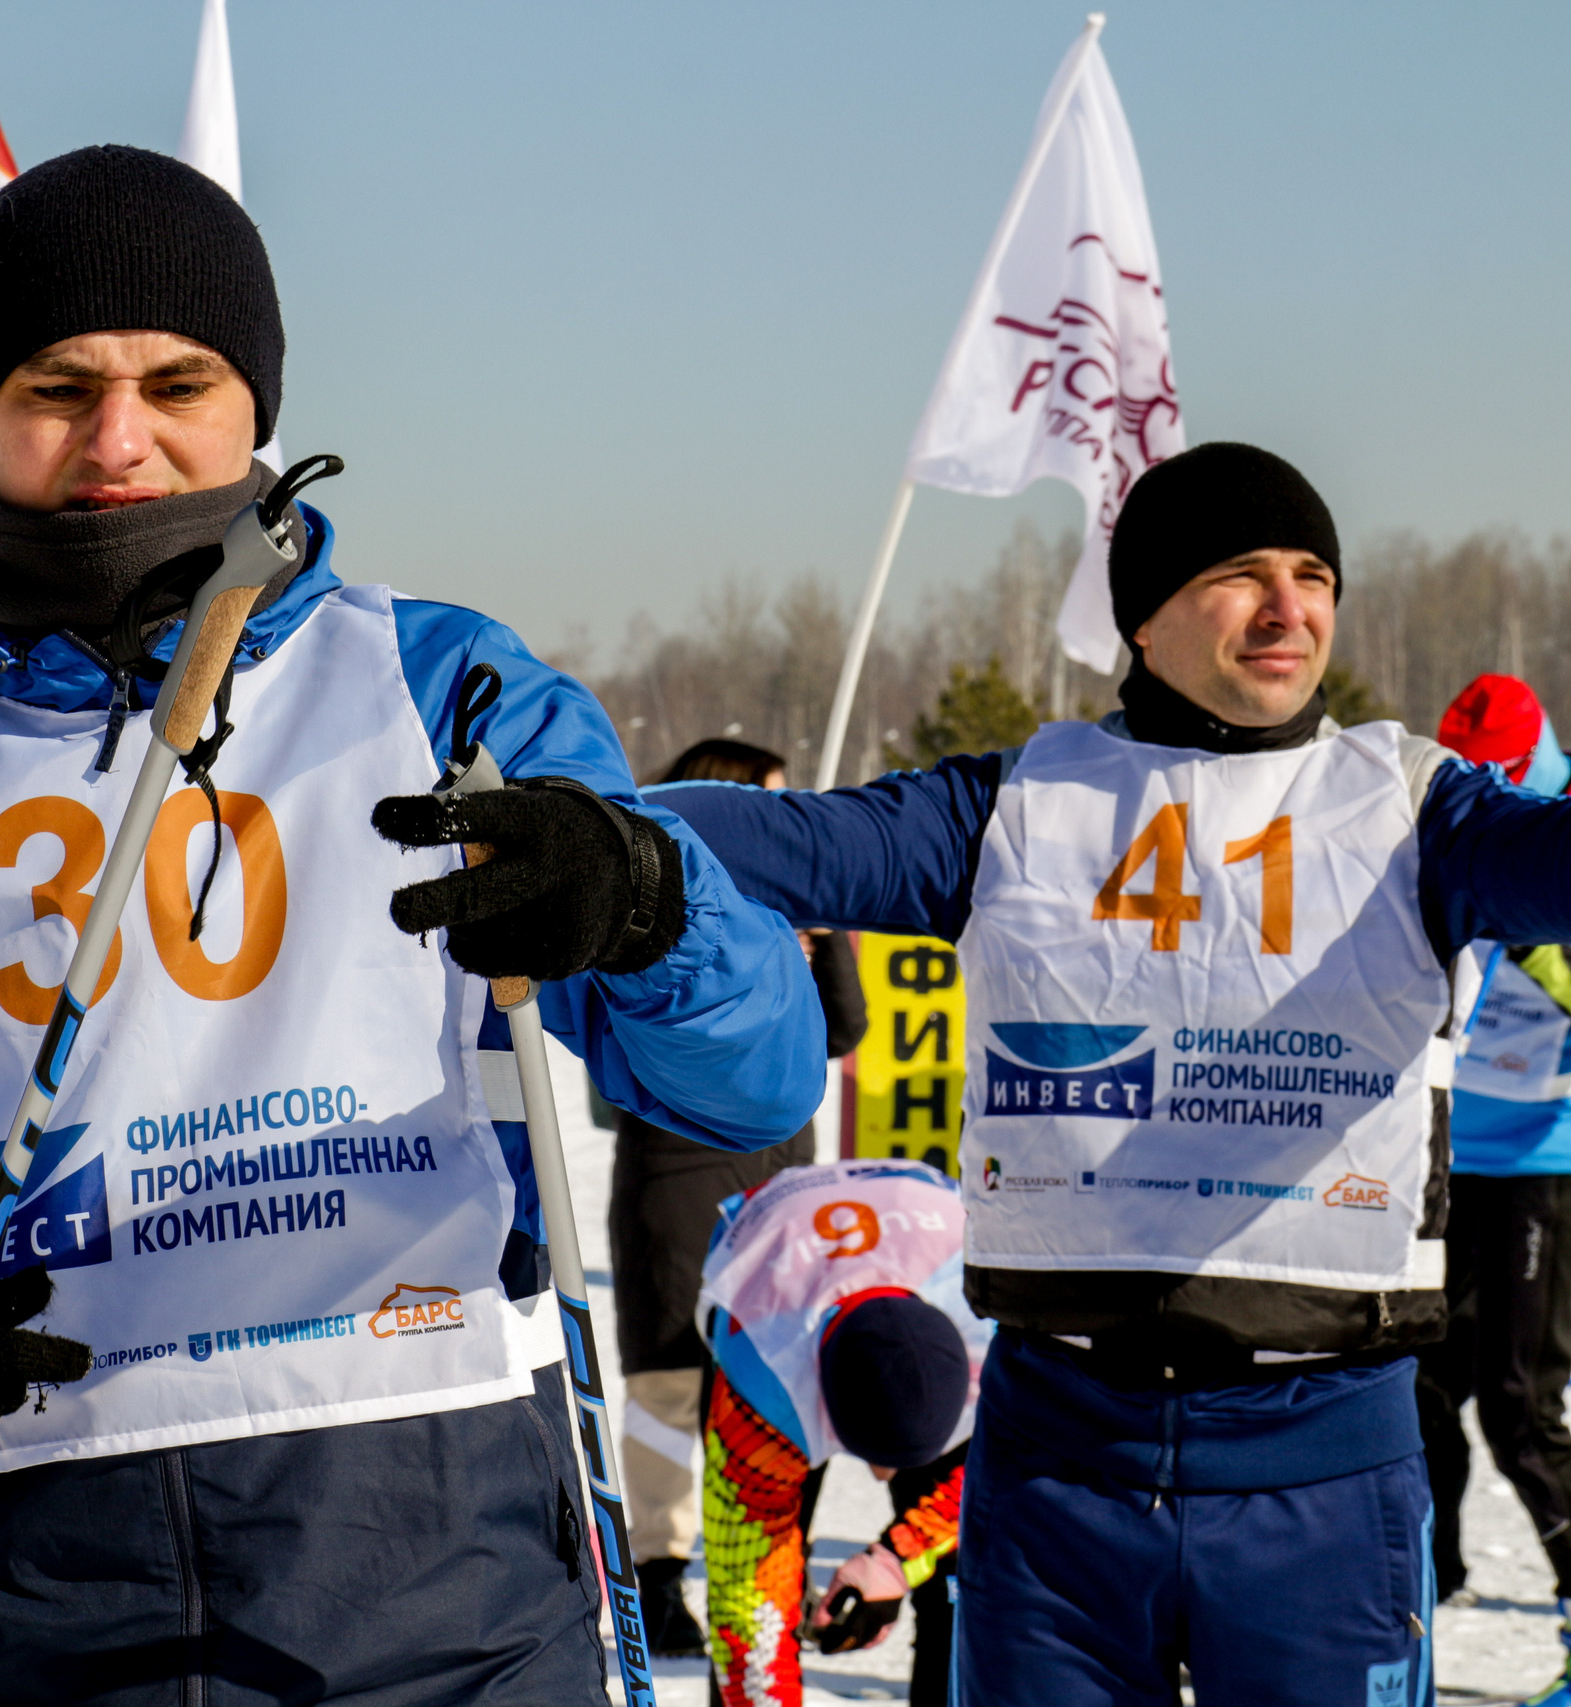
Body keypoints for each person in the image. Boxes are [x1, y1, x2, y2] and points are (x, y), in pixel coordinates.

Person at [0, 144, 824, 1704]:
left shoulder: (441, 686)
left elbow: (755, 1079)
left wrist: (649, 906)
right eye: (58, 386)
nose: (122, 440)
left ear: (258, 405)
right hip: (23, 1598)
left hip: (430, 1586)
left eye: (179, 380)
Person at [650, 442, 1571, 1705]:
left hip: (1325, 1465)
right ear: (1144, 617)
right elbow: (793, 840)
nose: (1289, 608)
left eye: (1313, 577)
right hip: (1057, 1468)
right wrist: (596, 830)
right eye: (1241, 576)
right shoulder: (1022, 802)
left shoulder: (1415, 806)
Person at [606, 737, 868, 1658]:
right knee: (674, 1385)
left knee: (779, 1382)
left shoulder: (786, 911)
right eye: (772, 803)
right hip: (680, 1182)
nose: (786, 823)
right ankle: (655, 1568)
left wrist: (822, 930)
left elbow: (845, 1028)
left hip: (781, 1189)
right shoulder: (650, 892)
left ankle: (765, 1567)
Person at [695, 1156, 983, 1707]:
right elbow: (748, 1601)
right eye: (871, 1455)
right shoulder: (763, 1384)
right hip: (774, 1270)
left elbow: (995, 1477)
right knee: (767, 1582)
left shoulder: (993, 1326)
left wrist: (895, 1561)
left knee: (961, 1575)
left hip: (930, 1235)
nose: (881, 1478)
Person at [1415, 676, 1571, 1679]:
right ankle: (1417, 1590)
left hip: (1540, 1163)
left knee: (1519, 1400)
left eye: (1497, 773)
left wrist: (1527, 926)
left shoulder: (1553, 831)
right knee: (1416, 1385)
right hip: (1445, 1156)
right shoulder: (1450, 815)